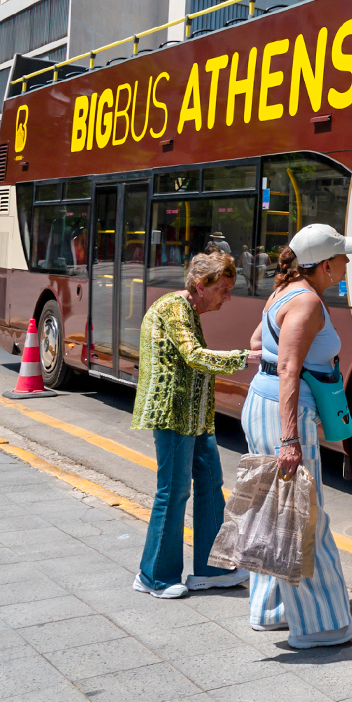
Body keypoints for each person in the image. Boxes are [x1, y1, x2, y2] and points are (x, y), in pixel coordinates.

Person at [243, 223, 352, 647]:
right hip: (280, 412)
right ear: (326, 265)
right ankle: (321, 626)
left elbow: (258, 342)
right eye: (343, 257)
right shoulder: (309, 302)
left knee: (272, 509)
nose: (348, 262)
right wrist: (290, 438)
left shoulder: (284, 291)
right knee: (303, 515)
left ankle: (271, 610)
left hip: (259, 406)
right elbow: (288, 370)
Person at [130, 250, 253, 599]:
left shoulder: (190, 309)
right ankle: (153, 576)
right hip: (173, 415)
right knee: (173, 492)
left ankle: (211, 570)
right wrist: (246, 357)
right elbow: (193, 356)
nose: (228, 298)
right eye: (224, 289)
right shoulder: (173, 307)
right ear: (201, 286)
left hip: (195, 417)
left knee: (211, 484)